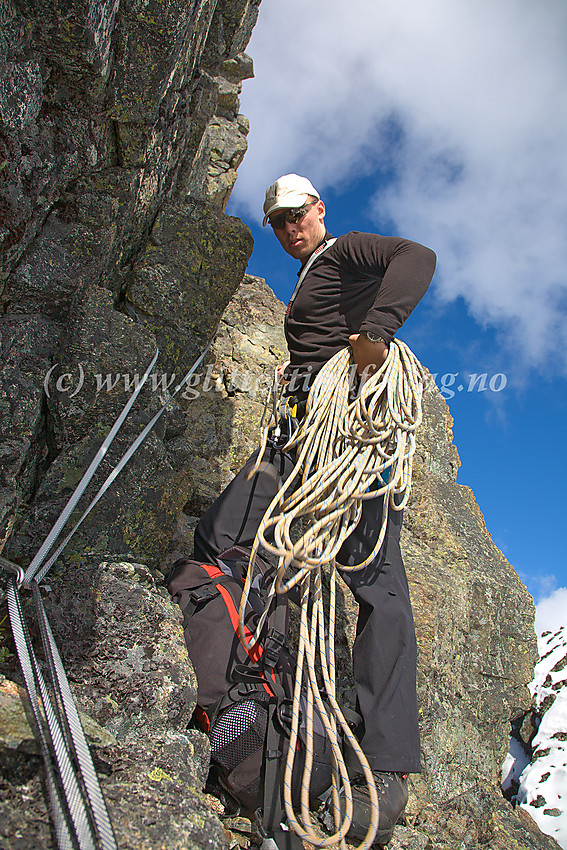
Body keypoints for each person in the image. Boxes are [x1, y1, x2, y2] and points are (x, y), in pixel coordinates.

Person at [193, 174, 436, 847]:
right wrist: (298, 371)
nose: (288, 228)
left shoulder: (345, 249)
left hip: (354, 441)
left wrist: (373, 335)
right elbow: (317, 340)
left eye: (296, 215)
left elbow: (417, 256)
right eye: (277, 222)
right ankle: (249, 691)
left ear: (318, 210)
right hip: (300, 437)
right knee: (223, 534)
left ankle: (384, 769)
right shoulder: (307, 278)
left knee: (376, 585)